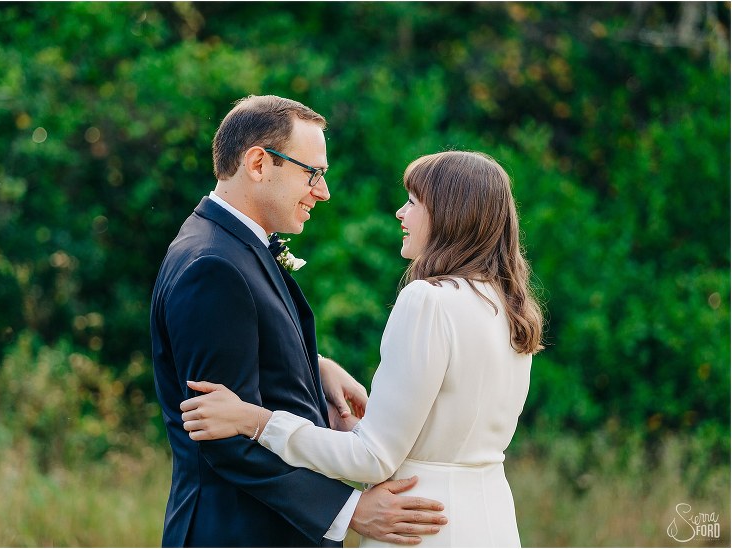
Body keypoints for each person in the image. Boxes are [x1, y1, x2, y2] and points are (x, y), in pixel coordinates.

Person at [179, 150, 545, 547]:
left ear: (450, 213)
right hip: (490, 523)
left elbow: (372, 459)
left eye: (413, 202)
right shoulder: (509, 307)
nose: (400, 214)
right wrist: (351, 426)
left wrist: (256, 420)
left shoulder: (428, 301)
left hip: (419, 528)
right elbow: (442, 440)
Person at [150, 94, 447, 548]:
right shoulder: (211, 264)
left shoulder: (235, 245)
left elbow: (246, 352)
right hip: (237, 532)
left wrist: (315, 366)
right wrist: (350, 511)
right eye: (313, 173)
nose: (322, 192)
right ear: (258, 163)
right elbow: (220, 435)